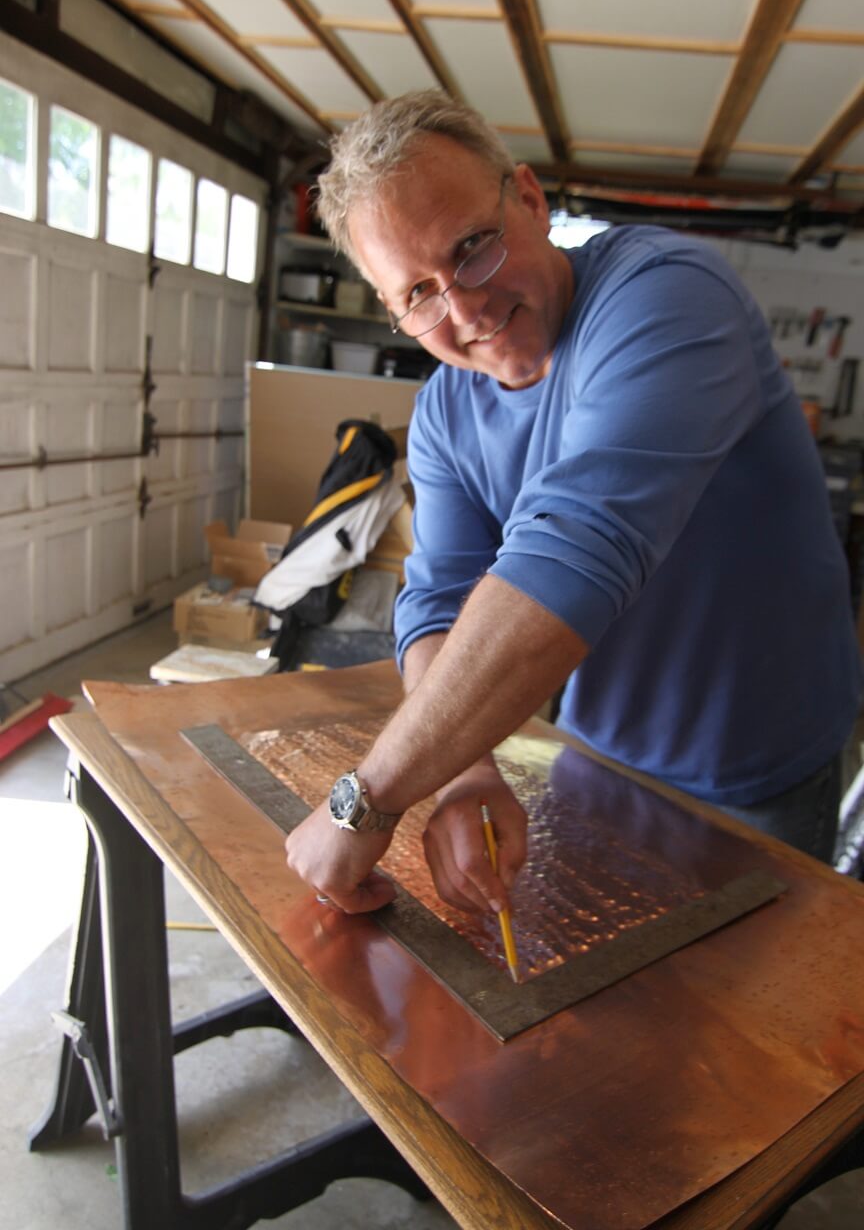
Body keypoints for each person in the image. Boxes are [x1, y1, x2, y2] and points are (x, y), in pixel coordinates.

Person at [284, 90, 862, 918]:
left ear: (530, 199)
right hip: (595, 752)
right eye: (418, 294)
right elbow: (438, 599)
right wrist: (467, 768)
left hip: (753, 768)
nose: (466, 309)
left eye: (473, 249)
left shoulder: (665, 297)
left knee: (747, 1022)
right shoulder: (449, 409)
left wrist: (369, 796)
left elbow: (576, 552)